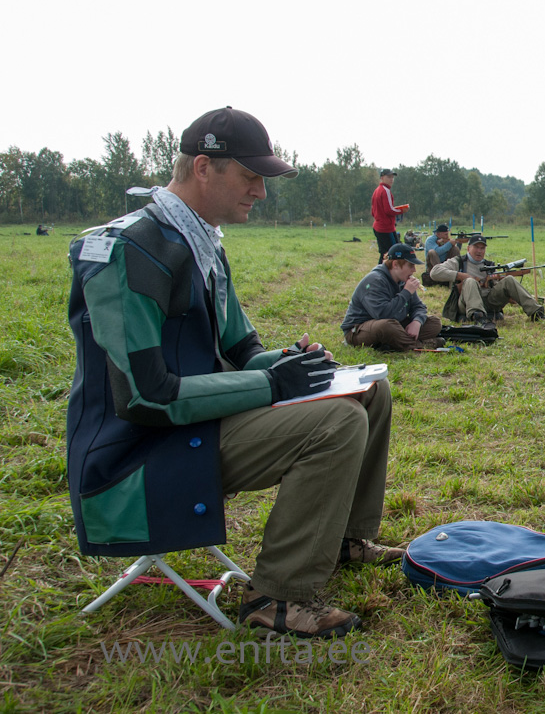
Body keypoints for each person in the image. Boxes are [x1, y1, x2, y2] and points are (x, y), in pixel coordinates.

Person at [66, 106, 403, 640]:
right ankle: (279, 597)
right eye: (250, 176)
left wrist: (289, 363)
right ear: (205, 168)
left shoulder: (197, 241)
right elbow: (146, 398)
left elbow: (242, 350)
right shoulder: (130, 251)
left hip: (191, 428)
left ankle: (344, 539)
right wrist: (272, 384)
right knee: (336, 422)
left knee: (369, 391)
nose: (261, 192)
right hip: (138, 455)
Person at [342, 242, 444, 352]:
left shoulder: (403, 280)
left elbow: (418, 306)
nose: (414, 270)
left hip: (395, 324)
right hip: (361, 328)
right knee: (386, 326)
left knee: (435, 323)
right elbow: (383, 314)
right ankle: (420, 345)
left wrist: (417, 322)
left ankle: (390, 344)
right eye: (410, 265)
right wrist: (406, 292)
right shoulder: (375, 281)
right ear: (395, 264)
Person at [430, 233, 545, 326]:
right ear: (468, 248)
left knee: (509, 279)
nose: (479, 251)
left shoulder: (490, 265)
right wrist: (461, 276)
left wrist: (499, 286)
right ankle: (478, 317)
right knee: (470, 281)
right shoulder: (458, 262)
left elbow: (498, 287)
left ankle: (536, 312)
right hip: (465, 305)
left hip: (489, 302)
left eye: (482, 248)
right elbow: (434, 272)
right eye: (476, 247)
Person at [370, 168, 408, 264]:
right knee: (393, 254)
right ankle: (388, 275)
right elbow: (389, 210)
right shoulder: (386, 190)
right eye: (389, 177)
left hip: (378, 226)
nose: (391, 179)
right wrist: (401, 210)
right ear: (382, 178)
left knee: (384, 254)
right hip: (386, 228)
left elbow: (373, 211)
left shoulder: (376, 191)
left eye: (392, 177)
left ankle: (379, 274)